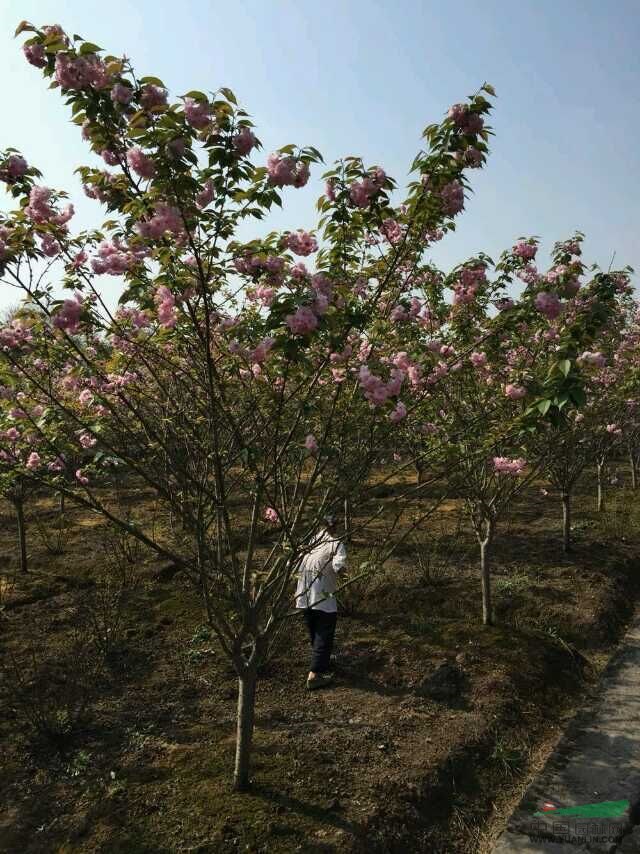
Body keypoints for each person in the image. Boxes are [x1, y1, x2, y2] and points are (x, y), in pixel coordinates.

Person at [294, 514, 347, 690]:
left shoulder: (310, 541)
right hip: (322, 596)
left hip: (304, 594)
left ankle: (321, 662)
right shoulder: (336, 543)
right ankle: (314, 675)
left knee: (315, 632)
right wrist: (344, 573)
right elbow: (339, 566)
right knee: (324, 634)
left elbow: (292, 564)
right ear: (335, 526)